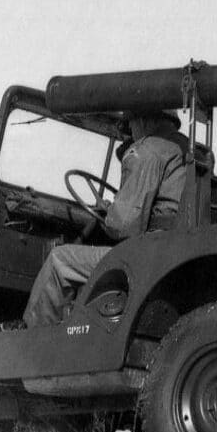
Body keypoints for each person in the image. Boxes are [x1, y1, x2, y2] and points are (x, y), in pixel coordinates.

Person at [21, 109, 188, 328]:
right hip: (174, 250)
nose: (132, 131)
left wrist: (110, 214)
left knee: (58, 261)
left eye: (131, 124)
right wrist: (112, 209)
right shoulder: (186, 147)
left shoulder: (148, 150)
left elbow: (124, 227)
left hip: (148, 255)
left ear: (143, 118)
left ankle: (31, 342)